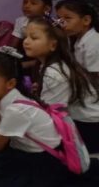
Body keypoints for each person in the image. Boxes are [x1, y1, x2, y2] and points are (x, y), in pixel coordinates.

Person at [0, 51, 99, 187]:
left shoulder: (16, 110)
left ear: (10, 83)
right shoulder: (8, 96)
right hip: (16, 143)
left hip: (39, 159)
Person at [22, 16, 99, 152]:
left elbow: (51, 114)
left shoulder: (55, 73)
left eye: (33, 38)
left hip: (89, 128)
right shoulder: (50, 63)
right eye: (26, 37)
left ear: (53, 45)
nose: (26, 42)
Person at [56, 0, 99, 72]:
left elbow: (95, 78)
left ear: (86, 20)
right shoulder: (77, 40)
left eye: (67, 18)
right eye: (59, 19)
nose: (62, 24)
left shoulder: (94, 43)